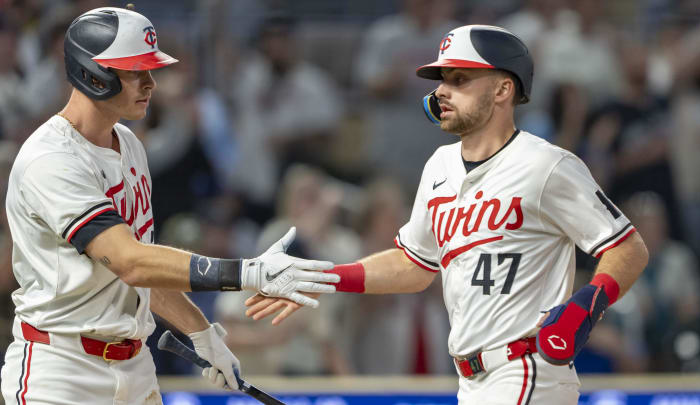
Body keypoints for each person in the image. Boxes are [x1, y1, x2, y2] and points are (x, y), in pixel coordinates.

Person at [246, 25, 649, 404]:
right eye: (441, 80)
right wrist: (325, 277)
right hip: (470, 379)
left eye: (460, 79)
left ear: (503, 89)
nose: (442, 91)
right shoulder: (439, 166)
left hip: (526, 369)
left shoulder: (547, 165)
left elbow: (628, 248)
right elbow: (414, 264)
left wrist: (588, 301)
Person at [0, 7, 338, 405]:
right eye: (135, 71)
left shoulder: (129, 144)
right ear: (94, 74)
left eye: (150, 70)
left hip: (135, 364)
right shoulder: (51, 158)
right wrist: (249, 272)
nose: (150, 83)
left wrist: (202, 332)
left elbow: (143, 271)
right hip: (63, 371)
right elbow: (128, 260)